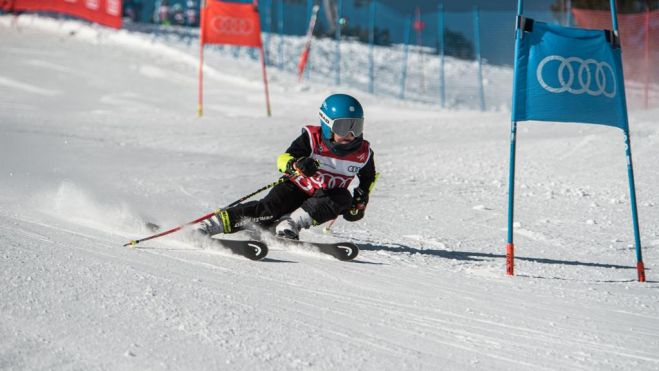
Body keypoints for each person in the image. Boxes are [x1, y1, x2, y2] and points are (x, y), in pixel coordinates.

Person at [199, 93, 377, 240]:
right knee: (268, 211)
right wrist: (298, 163)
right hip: (295, 187)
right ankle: (212, 224)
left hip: (323, 197)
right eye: (344, 126)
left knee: (342, 198)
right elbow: (284, 158)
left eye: (356, 126)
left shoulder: (363, 153)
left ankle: (288, 225)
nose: (351, 134)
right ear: (327, 123)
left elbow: (368, 177)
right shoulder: (312, 138)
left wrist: (361, 199)